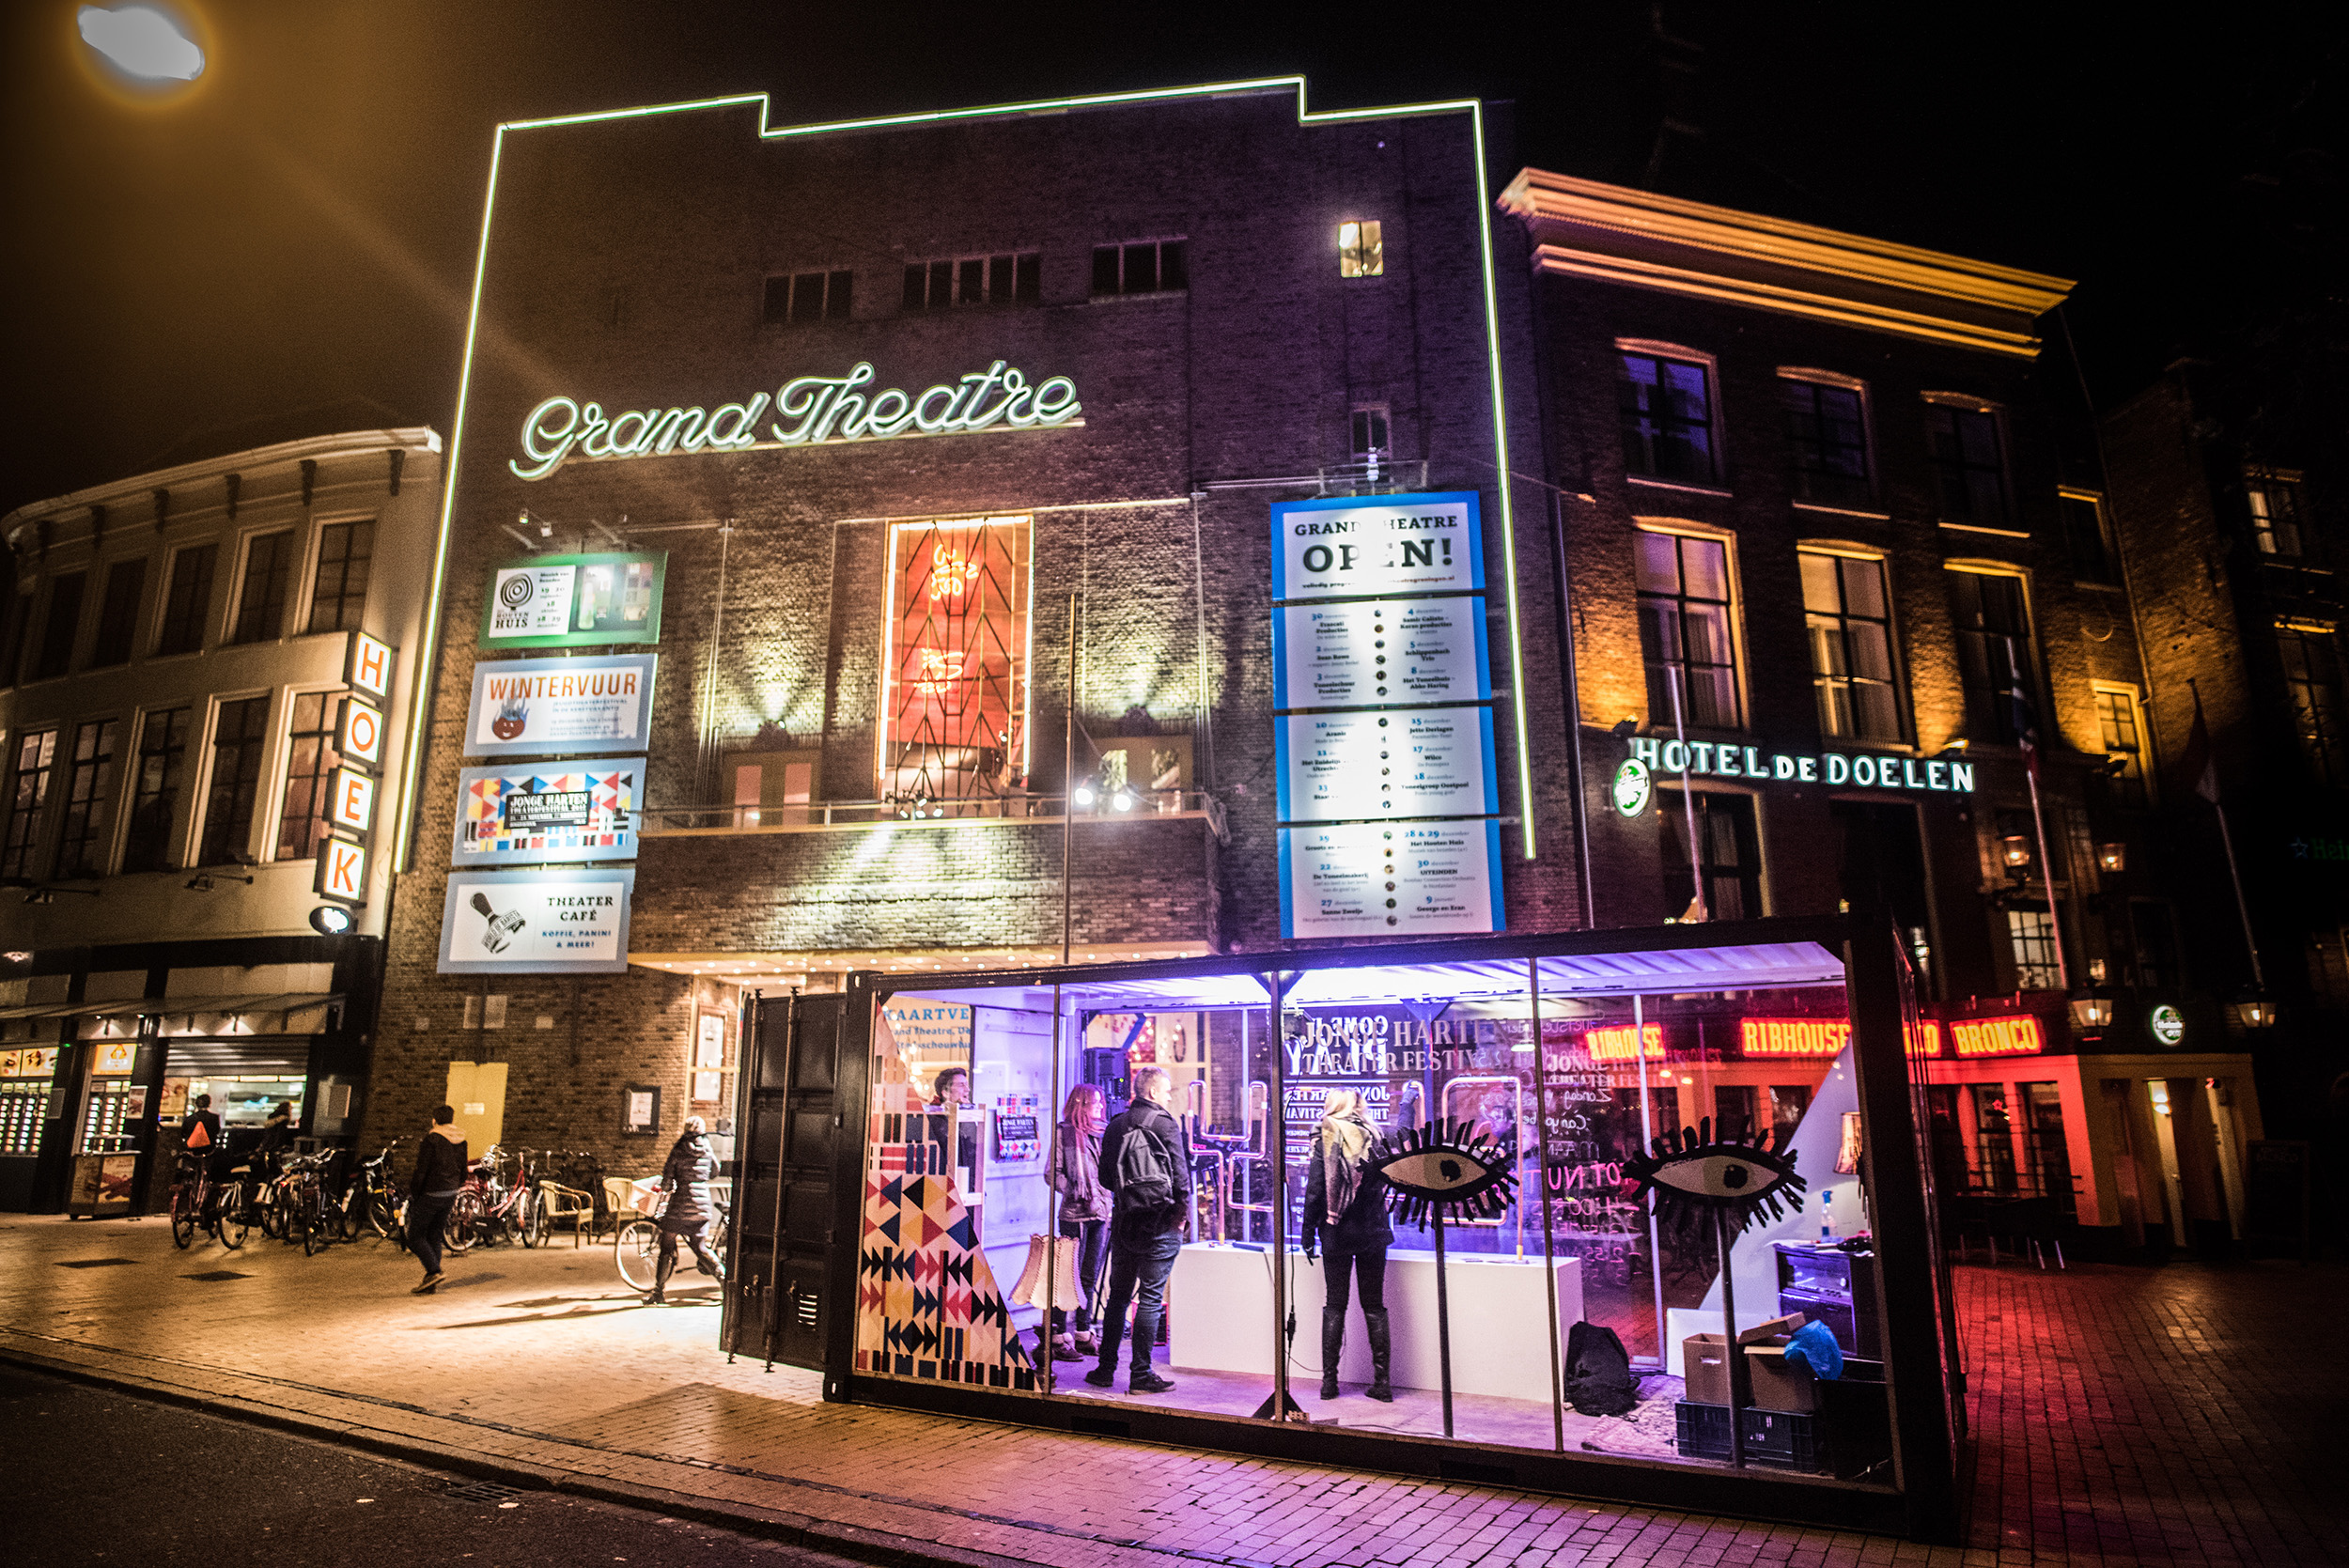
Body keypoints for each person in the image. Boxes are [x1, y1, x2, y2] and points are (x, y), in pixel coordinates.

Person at [1086, 1064, 1190, 1394]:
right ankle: (1141, 1375)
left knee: (1117, 1297)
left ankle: (1104, 1369)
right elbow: (1181, 1175)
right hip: (1160, 1222)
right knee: (1150, 1298)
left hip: (1125, 1222)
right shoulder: (1165, 1124)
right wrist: (1181, 1215)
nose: (1169, 1096)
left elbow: (1104, 1179)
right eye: (1167, 1091)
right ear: (1154, 1092)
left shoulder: (1115, 1125)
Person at [1300, 1088, 1394, 1402]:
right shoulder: (1375, 1136)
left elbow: (1315, 1190)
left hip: (1336, 1231)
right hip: (1373, 1231)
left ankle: (1329, 1383)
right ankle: (1382, 1383)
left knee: (1335, 1304)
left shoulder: (1327, 1137)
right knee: (1374, 1305)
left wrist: (1307, 1233)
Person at [1043, 1083, 1111, 1361]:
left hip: (1102, 1212)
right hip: (1074, 1214)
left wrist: (1105, 1194)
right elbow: (1052, 1173)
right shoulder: (1064, 1132)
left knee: (1089, 1275)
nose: (1099, 1107)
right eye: (1094, 1103)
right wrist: (1075, 1191)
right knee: (1067, 1277)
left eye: (1100, 1103)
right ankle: (1058, 1335)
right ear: (1081, 1105)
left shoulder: (1104, 1133)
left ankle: (1083, 1332)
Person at [645, 1115, 724, 1305]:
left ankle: (658, 1292)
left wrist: (665, 1187)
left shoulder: (680, 1148)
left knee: (667, 1244)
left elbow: (667, 1178)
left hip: (681, 1203)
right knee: (700, 1247)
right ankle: (724, 1280)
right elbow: (715, 1171)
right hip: (702, 1204)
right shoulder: (706, 1147)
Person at [405, 1106, 468, 1295]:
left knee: (414, 1237)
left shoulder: (431, 1139)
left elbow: (421, 1170)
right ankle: (431, 1282)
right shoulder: (461, 1139)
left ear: (434, 1120)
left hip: (432, 1192)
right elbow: (463, 1168)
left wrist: (415, 1193)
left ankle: (434, 1271)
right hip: (450, 1192)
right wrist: (456, 1185)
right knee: (434, 1235)